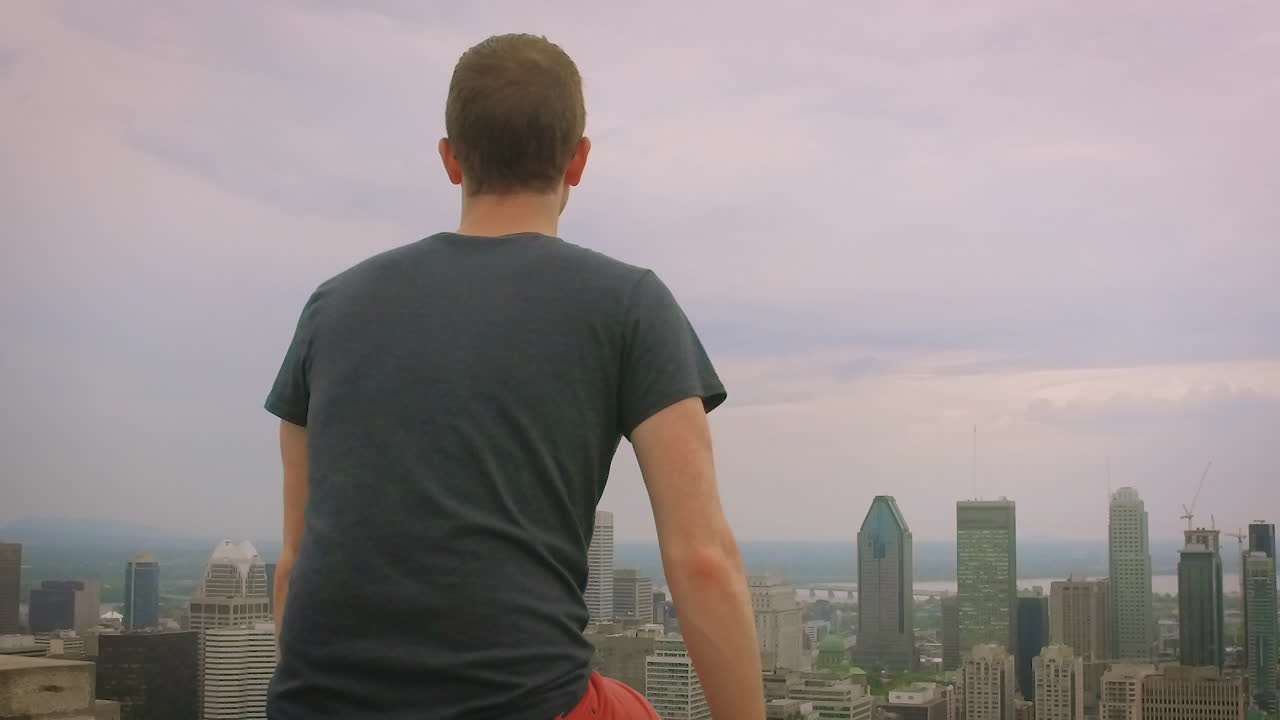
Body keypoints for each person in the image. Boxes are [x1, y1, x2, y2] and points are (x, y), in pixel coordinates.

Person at [264, 34, 763, 720]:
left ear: (450, 158)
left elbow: (295, 562)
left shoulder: (330, 305)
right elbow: (703, 560)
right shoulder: (629, 304)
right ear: (579, 159)